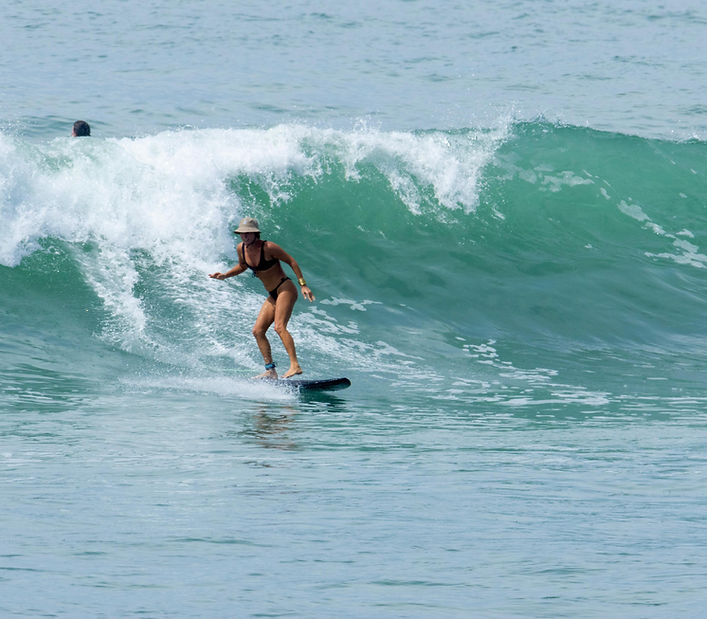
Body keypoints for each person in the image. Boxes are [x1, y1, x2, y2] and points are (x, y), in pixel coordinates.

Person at [209, 217, 315, 379]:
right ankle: (270, 370)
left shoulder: (269, 247)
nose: (244, 237)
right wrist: (225, 275)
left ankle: (295, 365)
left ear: (255, 233)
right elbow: (243, 266)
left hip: (285, 288)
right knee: (257, 331)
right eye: (242, 234)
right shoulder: (241, 249)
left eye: (248, 234)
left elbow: (291, 262)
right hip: (272, 294)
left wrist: (303, 284)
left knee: (279, 327)